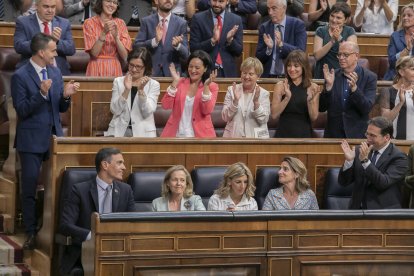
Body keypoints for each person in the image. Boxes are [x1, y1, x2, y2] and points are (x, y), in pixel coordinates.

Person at [11, 33, 80, 251]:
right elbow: (21, 110)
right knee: (30, 187)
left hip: (54, 138)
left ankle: (52, 228)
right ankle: (31, 232)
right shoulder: (20, 76)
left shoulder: (56, 71)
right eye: (52, 50)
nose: (56, 53)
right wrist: (40, 94)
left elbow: (59, 107)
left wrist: (66, 96)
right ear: (41, 52)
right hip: (30, 139)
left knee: (59, 186)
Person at [59, 148, 136, 275]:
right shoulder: (79, 190)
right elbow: (65, 225)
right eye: (119, 163)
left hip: (118, 250)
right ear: (105, 165)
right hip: (85, 250)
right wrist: (93, 236)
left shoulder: (126, 190)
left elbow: (133, 223)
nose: (124, 167)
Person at [339, 116, 408, 209]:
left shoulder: (399, 157)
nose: (368, 139)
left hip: (383, 214)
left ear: (386, 137)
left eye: (373, 135)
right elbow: (343, 182)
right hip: (356, 211)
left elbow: (383, 183)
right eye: (367, 134)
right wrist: (349, 161)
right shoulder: (360, 150)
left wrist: (365, 161)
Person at [319, 41, 377, 138]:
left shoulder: (369, 77)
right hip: (333, 135)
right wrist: (328, 87)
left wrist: (355, 90)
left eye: (345, 55)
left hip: (357, 135)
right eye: (339, 54)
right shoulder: (332, 76)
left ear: (356, 56)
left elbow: (366, 108)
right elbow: (321, 107)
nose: (341, 58)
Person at [160, 50, 218, 138]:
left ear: (205, 68)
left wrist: (206, 86)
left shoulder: (212, 86)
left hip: (200, 135)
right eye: (190, 66)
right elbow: (165, 105)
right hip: (176, 134)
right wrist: (175, 82)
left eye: (197, 67)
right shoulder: (180, 83)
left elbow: (206, 110)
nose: (193, 70)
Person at [104, 47, 160, 137]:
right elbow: (115, 110)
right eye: (131, 65)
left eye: (138, 67)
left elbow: (147, 111)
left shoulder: (153, 85)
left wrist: (141, 91)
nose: (134, 69)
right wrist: (126, 90)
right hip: (119, 132)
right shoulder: (118, 82)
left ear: (146, 67)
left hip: (143, 134)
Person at [14, 0, 76, 76]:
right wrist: (45, 41)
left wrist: (56, 41)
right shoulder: (23, 22)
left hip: (59, 72)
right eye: (46, 7)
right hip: (31, 73)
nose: (50, 10)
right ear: (36, 6)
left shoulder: (64, 23)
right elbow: (19, 46)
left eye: (53, 7)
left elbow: (71, 49)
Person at [271, 50, 320, 138]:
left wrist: (309, 101)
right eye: (289, 65)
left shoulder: (313, 87)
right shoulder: (280, 86)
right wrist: (287, 98)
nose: (292, 69)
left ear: (303, 67)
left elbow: (314, 117)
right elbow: (274, 115)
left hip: (304, 135)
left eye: (296, 66)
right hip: (283, 134)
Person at [134, 0, 189, 77]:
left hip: (172, 74)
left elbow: (186, 54)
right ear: (156, 1)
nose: (169, 0)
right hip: (150, 72)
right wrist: (154, 41)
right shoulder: (146, 21)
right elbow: (136, 46)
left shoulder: (181, 23)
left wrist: (178, 46)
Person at [190, 0, 243, 78]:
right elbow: (193, 48)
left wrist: (230, 40)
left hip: (228, 72)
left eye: (221, 1)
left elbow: (238, 51)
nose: (217, 4)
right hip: (205, 71)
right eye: (214, 0)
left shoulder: (236, 20)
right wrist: (212, 41)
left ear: (227, 1)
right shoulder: (198, 18)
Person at [255, 0, 307, 78]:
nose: (270, 13)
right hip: (268, 77)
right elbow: (259, 57)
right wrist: (269, 49)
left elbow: (301, 52)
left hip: (290, 77)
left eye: (274, 8)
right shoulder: (264, 27)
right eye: (268, 9)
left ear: (284, 8)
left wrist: (281, 45)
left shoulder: (297, 25)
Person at [222, 57, 270, 138]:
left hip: (256, 140)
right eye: (244, 73)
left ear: (258, 76)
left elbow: (264, 119)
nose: (246, 76)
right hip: (233, 137)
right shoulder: (232, 90)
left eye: (251, 74)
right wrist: (235, 102)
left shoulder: (264, 93)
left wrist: (256, 103)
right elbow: (225, 117)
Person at [83, 0, 132, 76]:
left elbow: (125, 56)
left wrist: (116, 38)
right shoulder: (89, 23)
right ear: (101, 2)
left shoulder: (121, 23)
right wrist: (103, 33)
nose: (111, 5)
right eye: (108, 1)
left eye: (115, 3)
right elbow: (94, 54)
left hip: (114, 67)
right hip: (95, 66)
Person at [313, 2, 357, 79]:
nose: (334, 20)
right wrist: (332, 41)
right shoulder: (320, 31)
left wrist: (339, 38)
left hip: (343, 75)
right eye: (332, 16)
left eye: (338, 18)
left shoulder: (350, 31)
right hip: (322, 74)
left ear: (346, 20)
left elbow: (350, 54)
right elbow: (317, 56)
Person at [380, 56, 414, 140]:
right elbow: (385, 120)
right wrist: (400, 103)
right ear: (401, 72)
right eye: (413, 69)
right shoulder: (387, 91)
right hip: (395, 142)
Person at [383, 3, 414, 81]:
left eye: (409, 15)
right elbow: (392, 62)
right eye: (403, 15)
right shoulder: (395, 36)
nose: (405, 18)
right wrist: (407, 49)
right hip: (395, 76)